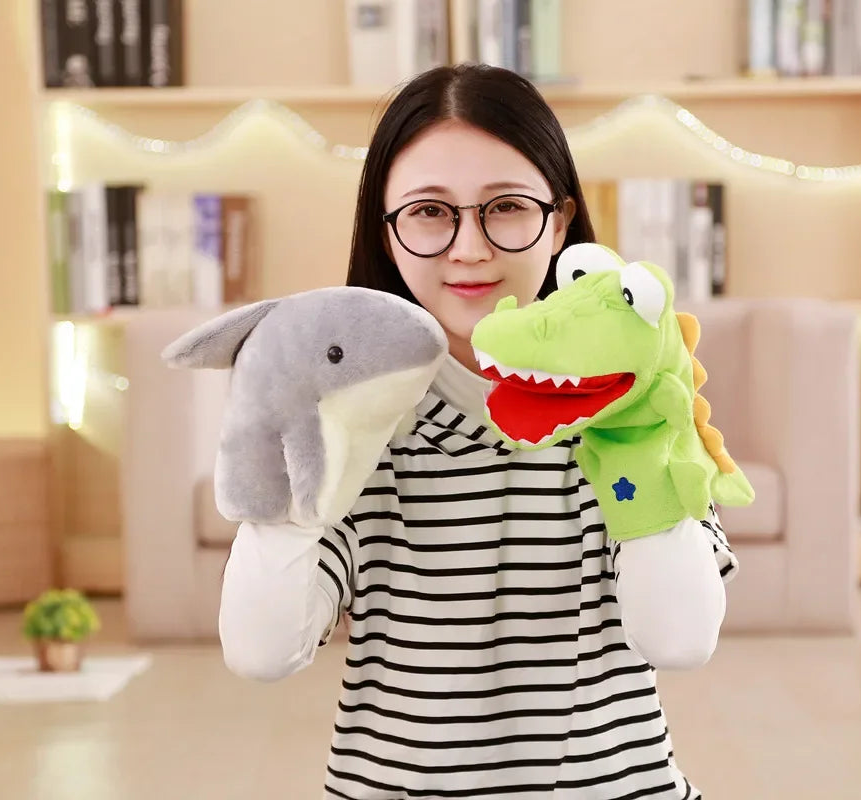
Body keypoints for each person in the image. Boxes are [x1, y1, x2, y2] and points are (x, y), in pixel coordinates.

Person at [218, 63, 738, 800]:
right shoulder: (352, 416)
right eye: (430, 212)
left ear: (559, 220)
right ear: (385, 231)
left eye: (506, 207)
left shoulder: (636, 396)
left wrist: (636, 430)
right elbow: (260, 649)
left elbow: (681, 640)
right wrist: (283, 422)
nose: (470, 248)